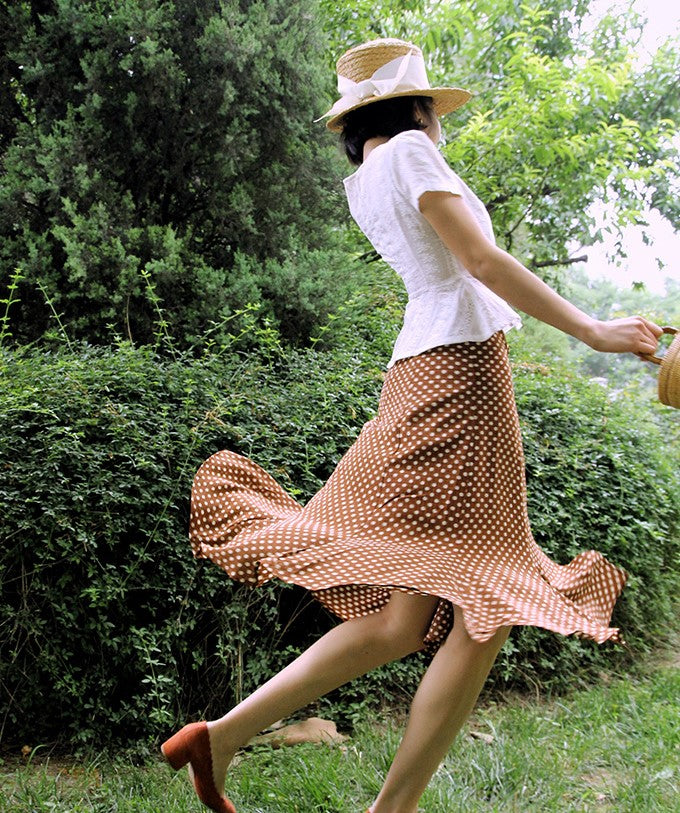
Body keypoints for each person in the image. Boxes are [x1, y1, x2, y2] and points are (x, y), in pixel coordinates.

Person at [160, 38, 662, 813]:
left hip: (421, 368)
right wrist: (594, 330)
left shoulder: (366, 179)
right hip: (460, 374)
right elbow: (483, 262)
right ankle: (390, 809)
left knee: (402, 621)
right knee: (488, 602)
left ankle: (220, 735)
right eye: (436, 113)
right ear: (420, 110)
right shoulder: (413, 156)